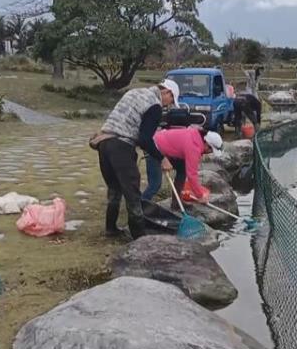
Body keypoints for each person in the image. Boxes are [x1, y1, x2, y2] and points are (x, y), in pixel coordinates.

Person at [95, 79, 179, 238]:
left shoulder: (134, 92)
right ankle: (139, 237)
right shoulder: (155, 106)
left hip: (104, 143)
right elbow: (144, 139)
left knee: (114, 190)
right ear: (166, 92)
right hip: (121, 146)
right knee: (132, 194)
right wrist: (162, 158)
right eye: (172, 99)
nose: (170, 104)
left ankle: (110, 229)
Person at [152, 126, 224, 204]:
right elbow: (192, 175)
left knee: (182, 170)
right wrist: (200, 196)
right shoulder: (194, 148)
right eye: (211, 150)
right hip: (154, 147)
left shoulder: (197, 136)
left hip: (167, 148)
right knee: (155, 185)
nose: (210, 153)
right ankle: (140, 207)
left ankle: (176, 202)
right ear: (207, 144)